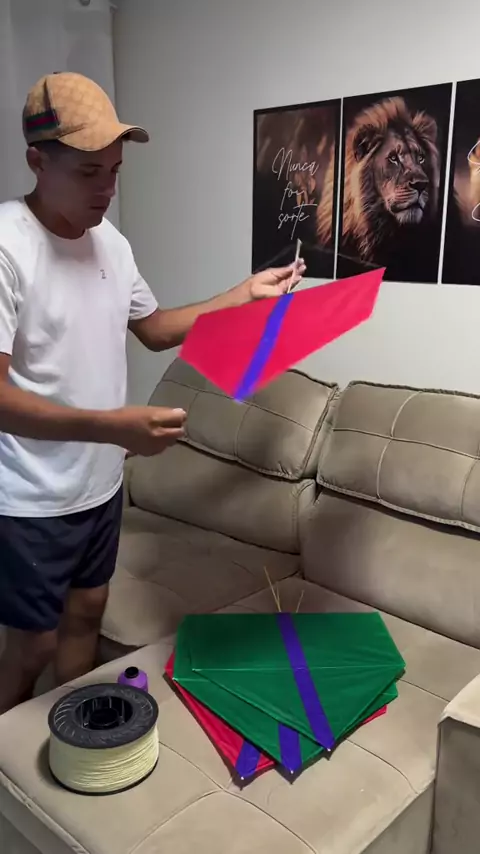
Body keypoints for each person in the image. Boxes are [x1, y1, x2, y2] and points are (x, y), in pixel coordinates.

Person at [0, 72, 305, 714]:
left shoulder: (111, 243)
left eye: (114, 171)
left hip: (100, 487)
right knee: (31, 647)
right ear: (37, 161)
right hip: (30, 498)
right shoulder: (8, 246)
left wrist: (242, 295)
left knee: (86, 619)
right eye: (89, 172)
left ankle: (70, 733)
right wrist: (113, 426)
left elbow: (156, 329)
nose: (107, 190)